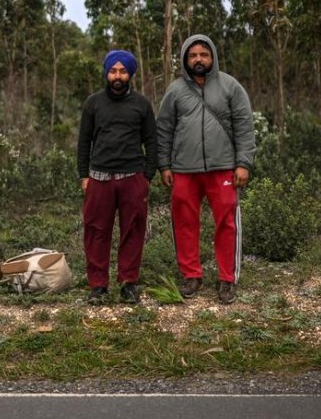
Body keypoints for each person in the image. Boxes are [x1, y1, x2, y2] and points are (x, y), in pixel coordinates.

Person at [156, 34, 256, 304]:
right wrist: (164, 164)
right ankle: (191, 275)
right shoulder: (175, 90)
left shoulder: (230, 86)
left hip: (223, 168)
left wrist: (243, 163)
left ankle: (227, 279)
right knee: (185, 223)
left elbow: (244, 127)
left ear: (212, 57)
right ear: (185, 59)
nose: (198, 59)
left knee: (226, 222)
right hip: (183, 169)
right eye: (192, 55)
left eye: (203, 54)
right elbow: (164, 129)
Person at [77, 49, 157, 304]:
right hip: (99, 177)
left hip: (133, 176)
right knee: (96, 232)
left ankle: (128, 283)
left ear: (130, 74)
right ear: (107, 73)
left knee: (133, 231)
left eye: (122, 71)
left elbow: (151, 141)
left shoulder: (141, 104)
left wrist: (147, 176)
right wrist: (83, 175)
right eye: (113, 71)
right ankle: (98, 286)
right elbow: (84, 141)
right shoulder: (94, 103)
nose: (117, 76)